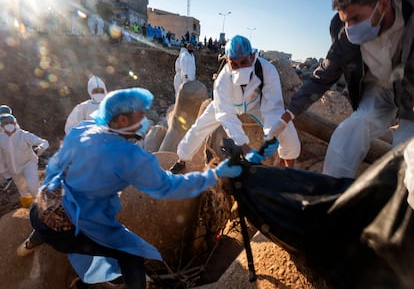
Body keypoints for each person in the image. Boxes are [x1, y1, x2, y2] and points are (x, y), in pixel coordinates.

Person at [17, 87, 241, 289]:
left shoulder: (84, 130)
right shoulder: (129, 158)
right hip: (67, 231)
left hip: (40, 212)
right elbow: (169, 186)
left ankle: (33, 241)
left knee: (58, 204)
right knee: (131, 255)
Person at [265, 0, 414, 179]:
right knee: (347, 135)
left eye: (356, 18)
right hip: (378, 90)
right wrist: (287, 116)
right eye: (345, 21)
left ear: (383, 4)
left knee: (408, 155)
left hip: (410, 94)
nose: (350, 28)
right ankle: (333, 194)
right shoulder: (347, 36)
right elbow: (320, 78)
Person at [169, 35, 301, 173]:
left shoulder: (267, 70)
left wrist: (271, 135)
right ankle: (182, 160)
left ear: (251, 56)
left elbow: (273, 107)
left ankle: (289, 172)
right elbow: (226, 115)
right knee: (199, 127)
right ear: (227, 60)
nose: (240, 68)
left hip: (255, 105)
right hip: (228, 104)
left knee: (287, 131)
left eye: (244, 62)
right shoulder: (222, 80)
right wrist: (245, 146)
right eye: (234, 64)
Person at [0, 114, 49, 207]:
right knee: (23, 190)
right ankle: (29, 210)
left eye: (11, 122)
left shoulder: (24, 135)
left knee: (32, 186)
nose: (9, 125)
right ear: (1, 126)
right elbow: (1, 157)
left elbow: (44, 142)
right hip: (14, 169)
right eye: (6, 123)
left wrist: (40, 148)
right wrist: (4, 173)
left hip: (28, 163)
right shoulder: (1, 138)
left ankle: (42, 205)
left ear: (15, 123)